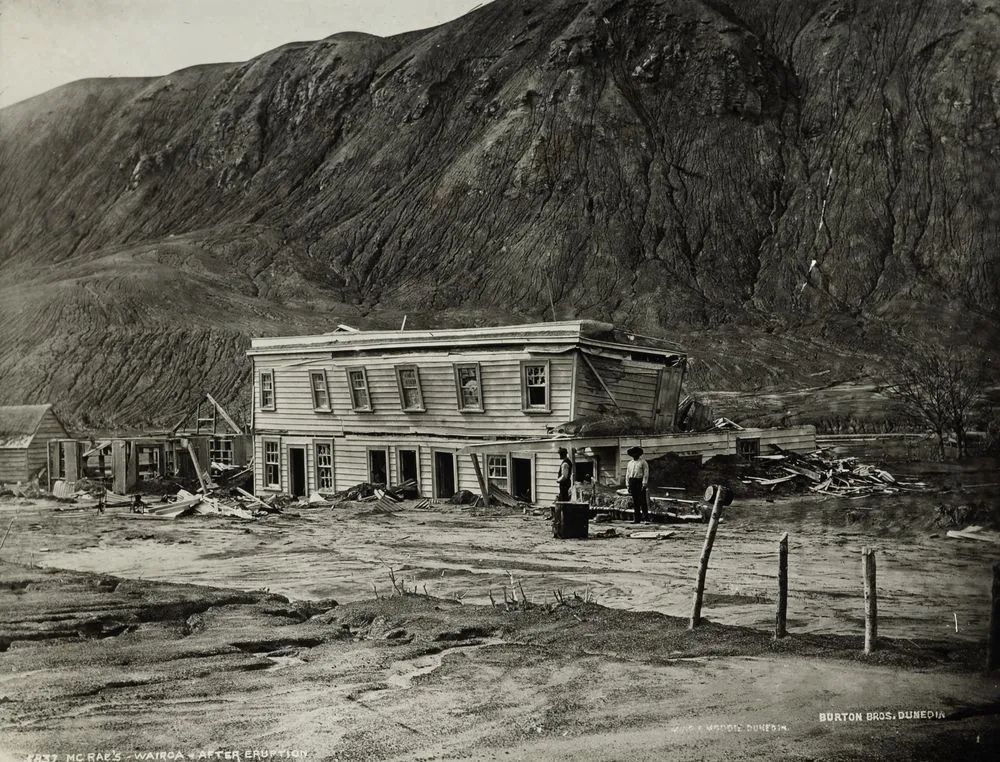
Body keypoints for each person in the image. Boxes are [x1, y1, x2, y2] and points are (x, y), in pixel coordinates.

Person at [626, 446, 649, 523]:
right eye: (633, 453)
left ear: (639, 454)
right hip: (632, 481)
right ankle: (637, 519)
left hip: (640, 481)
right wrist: (628, 485)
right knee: (635, 501)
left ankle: (646, 519)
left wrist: (644, 483)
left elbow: (646, 474)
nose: (635, 455)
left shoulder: (643, 462)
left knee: (642, 500)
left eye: (636, 453)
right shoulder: (630, 463)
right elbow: (627, 474)